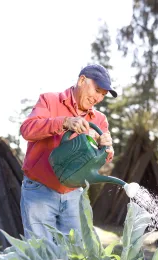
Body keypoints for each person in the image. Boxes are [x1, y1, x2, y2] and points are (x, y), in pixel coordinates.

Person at [20, 64, 117, 240]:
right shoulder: (49, 100)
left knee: (76, 254)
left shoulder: (100, 119)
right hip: (39, 190)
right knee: (41, 253)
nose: (98, 98)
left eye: (102, 95)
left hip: (74, 194)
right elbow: (27, 130)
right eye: (97, 90)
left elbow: (105, 157)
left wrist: (106, 147)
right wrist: (63, 122)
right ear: (81, 80)